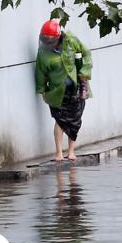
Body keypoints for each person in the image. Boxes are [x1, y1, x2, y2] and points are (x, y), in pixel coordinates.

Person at [35, 19, 92, 162]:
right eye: (45, 40)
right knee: (59, 120)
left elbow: (86, 55)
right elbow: (40, 72)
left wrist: (84, 75)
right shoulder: (43, 52)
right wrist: (42, 90)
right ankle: (59, 152)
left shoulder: (71, 42)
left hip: (77, 88)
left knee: (75, 120)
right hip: (56, 91)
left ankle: (71, 151)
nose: (48, 43)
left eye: (51, 40)